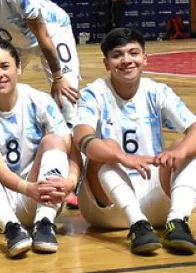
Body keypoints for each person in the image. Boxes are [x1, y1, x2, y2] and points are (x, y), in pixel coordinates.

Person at [74, 28, 196, 254]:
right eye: (118, 55)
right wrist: (122, 157)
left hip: (153, 195)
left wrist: (179, 153)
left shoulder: (158, 91)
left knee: (186, 146)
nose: (126, 60)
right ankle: (137, 224)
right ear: (106, 63)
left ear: (145, 59)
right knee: (106, 147)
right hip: (105, 204)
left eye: (133, 53)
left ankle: (177, 220)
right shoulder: (94, 93)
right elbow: (81, 136)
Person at [0, 40, 78, 257]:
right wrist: (29, 188)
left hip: (36, 199)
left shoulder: (40, 101)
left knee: (54, 141)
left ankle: (44, 223)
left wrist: (71, 181)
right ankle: (11, 228)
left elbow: (71, 149)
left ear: (18, 68)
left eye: (4, 66)